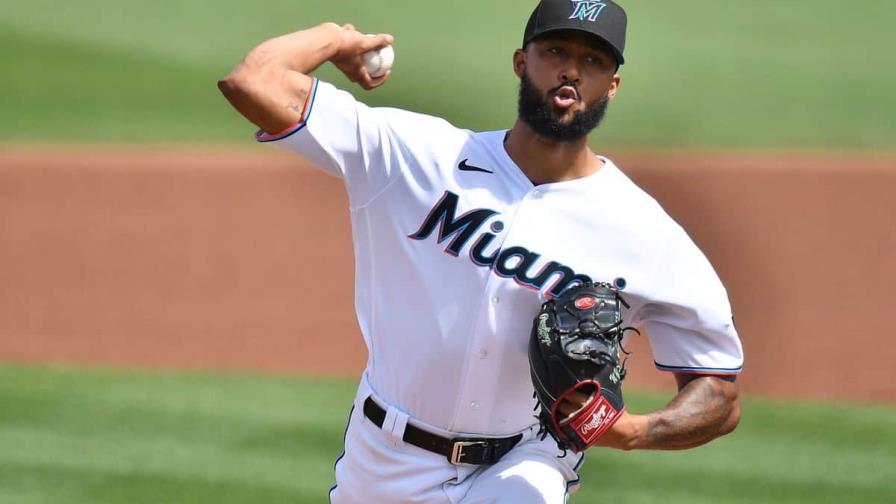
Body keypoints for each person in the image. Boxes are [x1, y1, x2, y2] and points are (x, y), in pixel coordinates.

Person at [218, 1, 743, 502]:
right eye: (555, 51)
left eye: (593, 60)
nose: (571, 71)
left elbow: (718, 392)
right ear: (522, 62)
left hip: (525, 463)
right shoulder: (416, 156)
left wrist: (633, 431)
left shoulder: (643, 231)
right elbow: (252, 83)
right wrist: (337, 39)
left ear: (613, 84)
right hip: (381, 458)